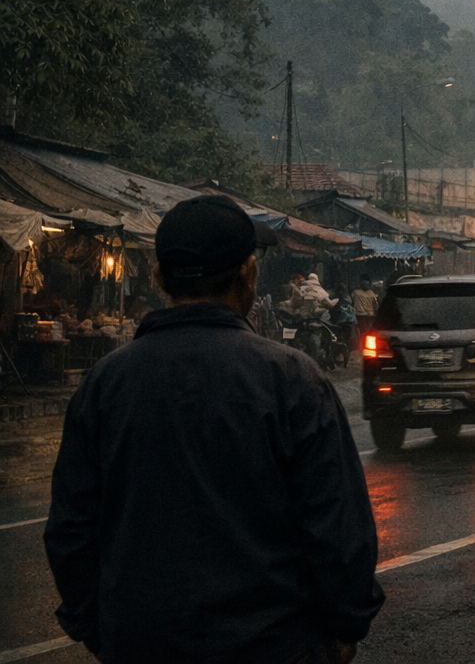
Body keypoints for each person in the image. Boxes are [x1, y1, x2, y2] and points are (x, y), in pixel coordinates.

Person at [45, 194, 384, 663]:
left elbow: (70, 530)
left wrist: (98, 628)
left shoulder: (104, 384)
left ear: (159, 276)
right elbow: (339, 528)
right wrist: (346, 625)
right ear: (248, 274)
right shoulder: (293, 380)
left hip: (142, 645)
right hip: (276, 645)